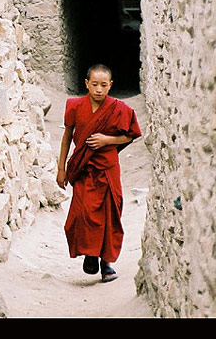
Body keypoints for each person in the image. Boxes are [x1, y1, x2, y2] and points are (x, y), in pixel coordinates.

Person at [56, 64, 142, 283]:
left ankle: (106, 263)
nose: (99, 89)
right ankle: (90, 253)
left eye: (104, 85)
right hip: (83, 168)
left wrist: (107, 140)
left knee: (110, 213)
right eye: (94, 84)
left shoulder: (119, 109)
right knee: (83, 213)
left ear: (110, 85)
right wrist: (61, 168)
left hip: (107, 168)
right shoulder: (75, 106)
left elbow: (131, 135)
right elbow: (67, 137)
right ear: (87, 84)